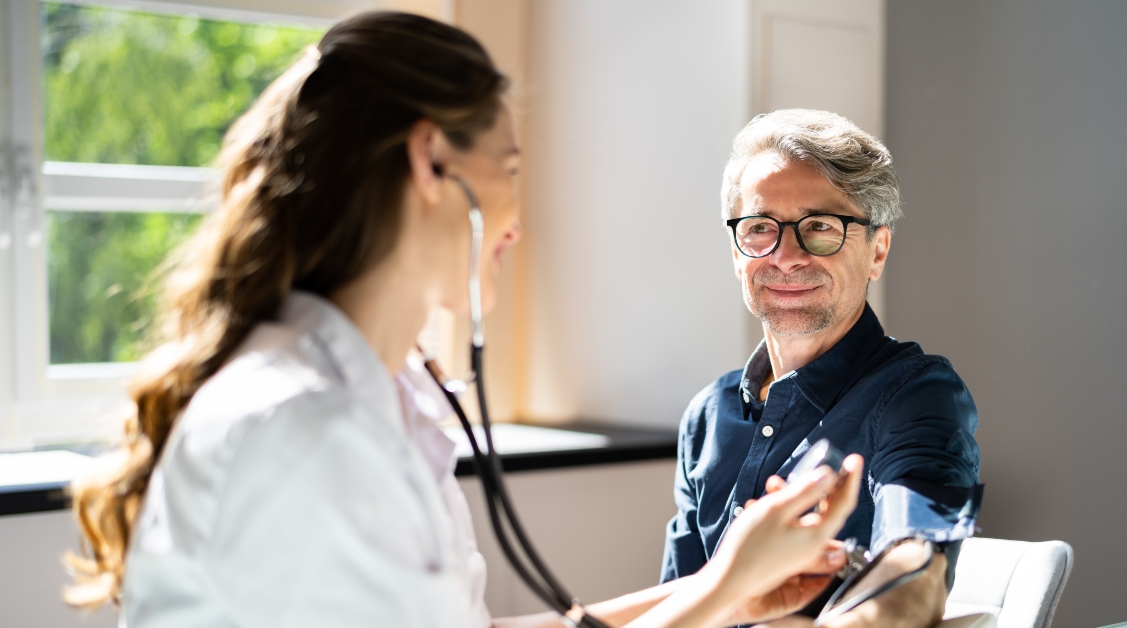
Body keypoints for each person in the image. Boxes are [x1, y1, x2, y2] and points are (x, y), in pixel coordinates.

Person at [65, 13, 867, 628]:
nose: (518, 219)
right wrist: (721, 590)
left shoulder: (384, 395)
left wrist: (724, 593)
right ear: (430, 162)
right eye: (510, 170)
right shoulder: (306, 425)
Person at [660, 109, 984, 628]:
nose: (785, 256)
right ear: (736, 252)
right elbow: (681, 601)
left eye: (820, 228)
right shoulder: (707, 416)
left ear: (877, 250)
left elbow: (915, 569)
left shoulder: (917, 395)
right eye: (761, 228)